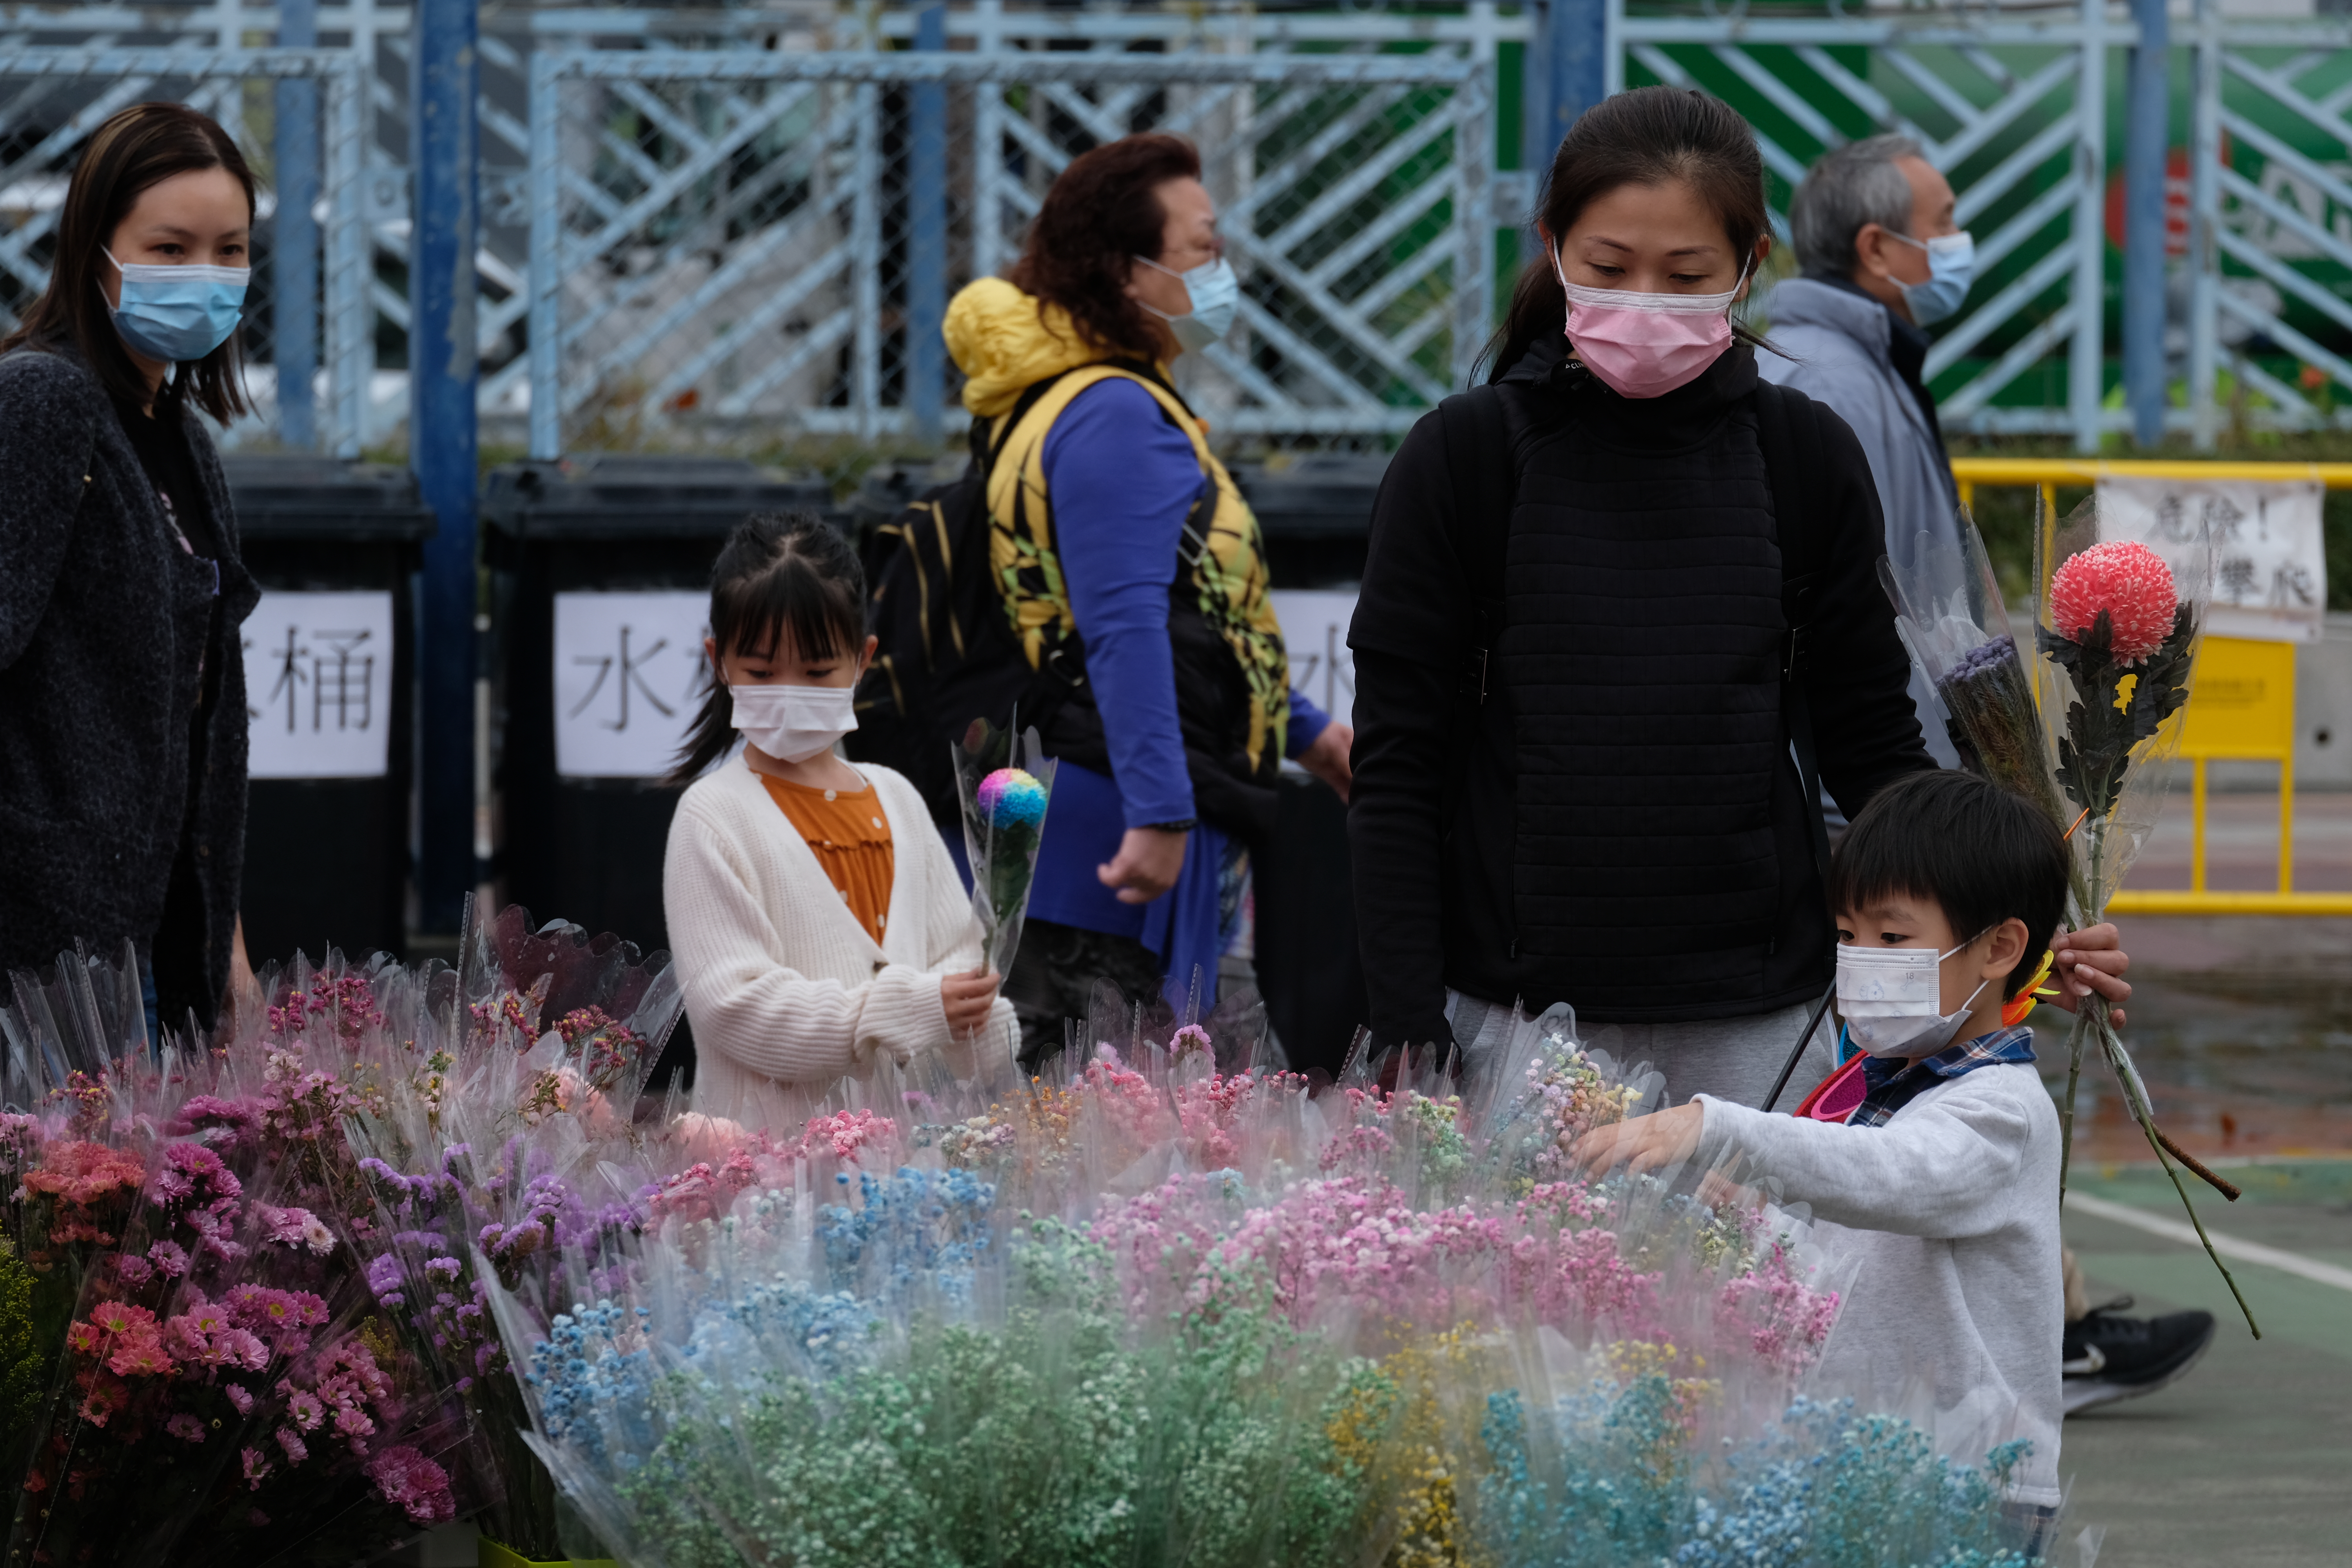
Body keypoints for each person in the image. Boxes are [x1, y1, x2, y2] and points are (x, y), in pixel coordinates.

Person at [1768, 133, 2213, 1415]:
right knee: (1911, 1085)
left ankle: (2046, 1315)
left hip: (1905, 799)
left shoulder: (1866, 366)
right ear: (1880, 248)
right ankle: (2019, 1335)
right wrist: (1930, 819)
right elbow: (1864, 623)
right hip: (1880, 811)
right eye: (1946, 218)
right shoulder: (1832, 385)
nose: (1959, 243)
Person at [941, 133, 1352, 1061]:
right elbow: (1123, 627)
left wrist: (1306, 730)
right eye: (1203, 248)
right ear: (1127, 273)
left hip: (1089, 811)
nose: (1222, 271)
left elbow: (1192, 609)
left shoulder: (1069, 398)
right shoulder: (1116, 413)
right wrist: (1160, 811)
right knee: (1106, 1116)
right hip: (1112, 841)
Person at [1574, 767, 2073, 1532]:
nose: (1862, 959)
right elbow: (1851, 1258)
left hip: (1972, 1487)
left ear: (2000, 947)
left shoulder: (2001, 1111)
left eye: (1893, 938)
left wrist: (1718, 1128)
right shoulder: (1886, 1086)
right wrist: (1755, 1221)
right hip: (1858, 1471)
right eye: (1847, 936)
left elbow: (1893, 1178)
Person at [0, 102, 261, 1041]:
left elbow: (193, 726)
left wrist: (227, 944)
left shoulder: (182, 439)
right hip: (48, 961)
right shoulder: (43, 403)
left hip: (161, 937)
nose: (206, 275)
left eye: (230, 251)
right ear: (95, 249)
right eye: (170, 248)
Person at [661, 514, 1015, 1118]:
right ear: (719, 661)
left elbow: (957, 952)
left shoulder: (897, 798)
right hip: (763, 1163)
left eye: (819, 671)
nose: (789, 691)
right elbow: (734, 1006)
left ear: (863, 659)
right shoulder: (713, 815)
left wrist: (972, 1014)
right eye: (762, 672)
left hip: (904, 1160)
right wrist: (899, 1012)